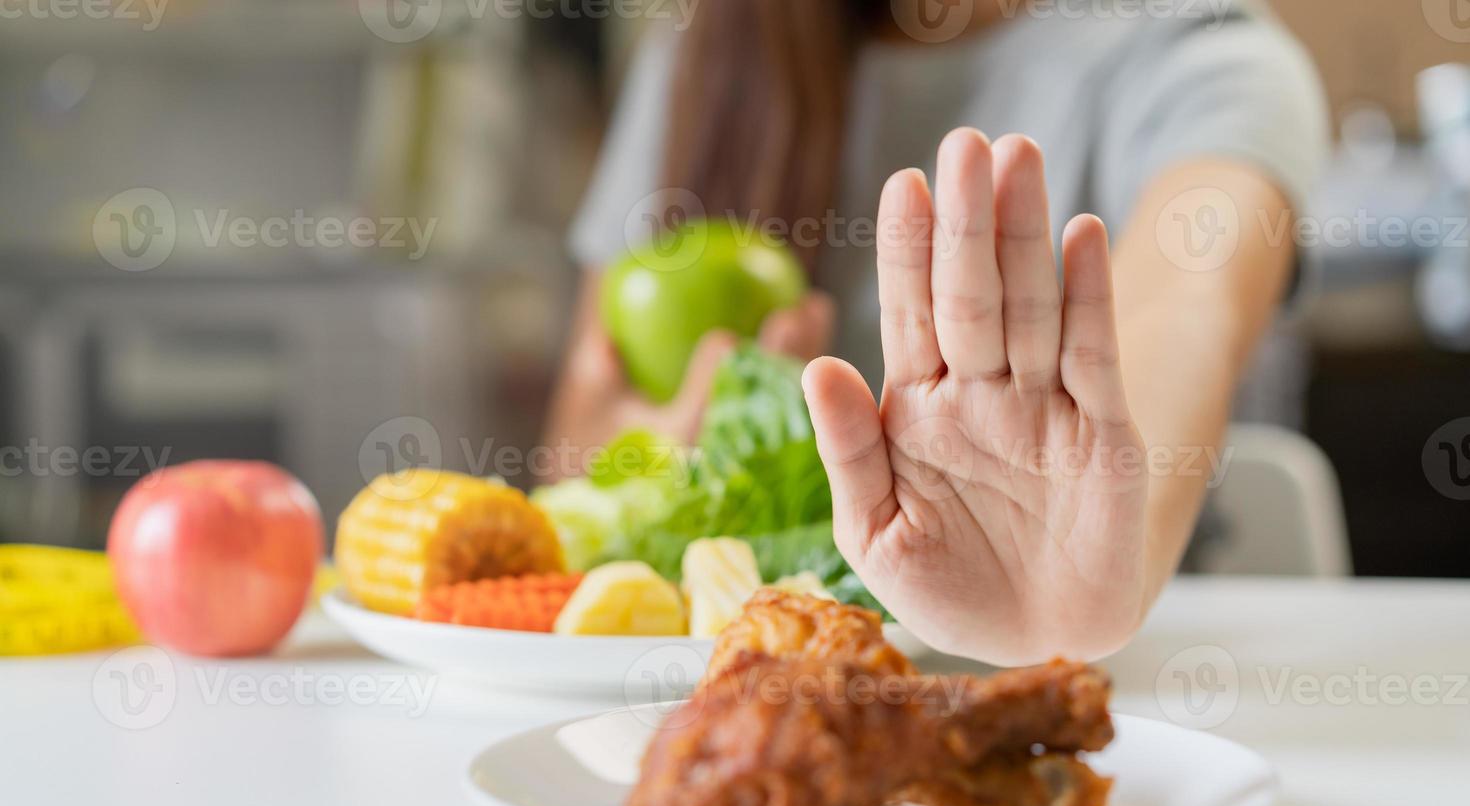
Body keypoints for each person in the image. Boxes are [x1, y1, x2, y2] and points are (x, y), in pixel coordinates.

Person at [546, 0, 1327, 664]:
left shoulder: (1206, 58)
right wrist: (652, 466)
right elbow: (570, 458)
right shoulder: (706, 53)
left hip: (1111, 699)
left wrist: (1074, 573)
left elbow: (1179, 320)